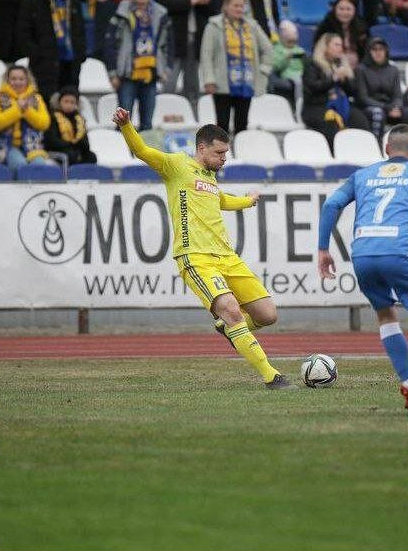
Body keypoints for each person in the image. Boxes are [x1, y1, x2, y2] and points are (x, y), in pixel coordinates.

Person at [113, 105, 292, 389]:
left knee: (267, 315)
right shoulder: (176, 166)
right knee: (231, 310)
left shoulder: (209, 177)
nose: (224, 158)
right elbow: (142, 151)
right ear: (201, 148)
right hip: (196, 258)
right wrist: (126, 126)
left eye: (226, 153)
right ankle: (272, 376)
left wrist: (247, 201)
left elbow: (221, 200)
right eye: (219, 153)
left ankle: (228, 329)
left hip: (227, 257)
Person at [318, 124, 408, 416]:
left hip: (363, 253)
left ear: (386, 149)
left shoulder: (362, 175)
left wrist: (323, 249)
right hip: (400, 250)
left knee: (385, 314)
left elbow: (331, 204)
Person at [199, 0, 271, 135]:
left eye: (241, 6)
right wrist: (209, 79)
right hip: (221, 84)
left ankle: (240, 148)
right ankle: (222, 150)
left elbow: (268, 49)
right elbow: (206, 55)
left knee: (242, 123)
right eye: (235, 5)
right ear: (226, 6)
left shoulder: (252, 26)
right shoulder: (213, 25)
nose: (239, 9)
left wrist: (263, 69)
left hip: (246, 83)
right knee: (222, 124)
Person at [17, 0, 87, 104]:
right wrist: (38, 54)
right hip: (45, 65)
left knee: (69, 107)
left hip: (70, 63)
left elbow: (80, 29)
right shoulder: (34, 0)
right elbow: (23, 33)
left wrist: (80, 54)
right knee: (47, 106)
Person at [154, 0, 214, 103]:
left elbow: (211, 6)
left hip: (196, 35)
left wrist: (206, 1)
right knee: (169, 82)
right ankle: (163, 112)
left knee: (193, 83)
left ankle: (193, 114)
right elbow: (162, 4)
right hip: (173, 35)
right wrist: (191, 1)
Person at [106, 0, 168, 131]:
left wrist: (165, 69)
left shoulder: (161, 14)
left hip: (150, 75)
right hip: (127, 75)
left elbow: (169, 43)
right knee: (123, 124)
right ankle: (121, 148)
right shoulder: (121, 13)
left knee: (147, 124)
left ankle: (143, 149)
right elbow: (110, 44)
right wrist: (112, 73)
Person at [301, 32, 371, 148]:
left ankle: (364, 150)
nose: (340, 48)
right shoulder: (312, 64)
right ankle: (335, 153)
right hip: (316, 107)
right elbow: (313, 87)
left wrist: (345, 79)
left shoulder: (339, 64)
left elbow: (352, 91)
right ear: (325, 46)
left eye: (341, 45)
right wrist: (334, 78)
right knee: (332, 121)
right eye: (336, 45)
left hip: (341, 105)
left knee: (360, 118)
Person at [0, 64, 53, 169]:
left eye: (21, 79)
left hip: (32, 146)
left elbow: (44, 123)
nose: (17, 82)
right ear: (7, 80)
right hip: (5, 146)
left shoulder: (36, 98)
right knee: (20, 165)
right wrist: (17, 109)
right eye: (13, 79)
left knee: (39, 165)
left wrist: (27, 111)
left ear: (27, 80)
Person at [356, 37, 408, 141]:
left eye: (381, 49)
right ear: (369, 52)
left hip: (390, 106)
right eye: (374, 49)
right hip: (370, 107)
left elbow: (398, 95)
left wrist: (396, 107)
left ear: (386, 51)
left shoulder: (393, 70)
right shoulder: (361, 69)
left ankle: (406, 145)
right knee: (378, 113)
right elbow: (363, 98)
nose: (378, 52)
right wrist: (386, 108)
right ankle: (376, 144)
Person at [313, 0, 368, 70]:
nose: (345, 12)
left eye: (348, 9)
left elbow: (366, 51)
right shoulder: (326, 27)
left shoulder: (361, 27)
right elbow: (319, 51)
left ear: (355, 10)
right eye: (341, 9)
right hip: (330, 67)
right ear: (335, 9)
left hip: (359, 69)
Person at [43, 86, 96, 164]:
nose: (69, 105)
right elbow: (52, 141)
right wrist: (71, 144)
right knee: (71, 156)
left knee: (91, 156)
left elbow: (86, 143)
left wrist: (79, 145)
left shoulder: (80, 119)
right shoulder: (53, 117)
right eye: (66, 101)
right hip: (57, 150)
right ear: (59, 102)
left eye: (72, 102)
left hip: (74, 150)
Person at [269, 19, 305, 105]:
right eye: (289, 41)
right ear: (282, 38)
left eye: (294, 41)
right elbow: (276, 67)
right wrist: (286, 59)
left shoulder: (299, 49)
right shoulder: (276, 49)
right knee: (298, 82)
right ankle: (299, 105)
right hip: (287, 75)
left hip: (301, 74)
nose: (292, 44)